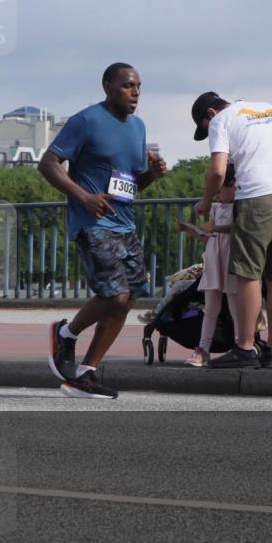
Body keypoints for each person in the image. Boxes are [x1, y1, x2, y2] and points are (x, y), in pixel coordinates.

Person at [39, 62, 166, 399]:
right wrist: (84, 197)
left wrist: (152, 174)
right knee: (115, 294)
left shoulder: (138, 127)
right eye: (127, 86)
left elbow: (131, 184)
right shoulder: (86, 120)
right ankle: (66, 334)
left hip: (124, 222)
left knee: (128, 298)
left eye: (138, 86)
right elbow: (48, 164)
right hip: (92, 222)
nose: (135, 92)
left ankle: (86, 373)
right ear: (108, 87)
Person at [191, 92, 272, 368]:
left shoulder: (220, 120)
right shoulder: (271, 108)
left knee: (248, 274)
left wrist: (206, 200)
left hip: (257, 200)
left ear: (210, 114)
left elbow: (218, 172)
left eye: (203, 127)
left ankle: (245, 347)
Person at [176, 164, 240, 366]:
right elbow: (210, 237)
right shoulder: (216, 208)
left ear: (233, 186)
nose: (217, 196)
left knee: (235, 306)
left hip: (230, 259)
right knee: (211, 307)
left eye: (219, 191)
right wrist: (193, 231)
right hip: (214, 260)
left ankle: (241, 345)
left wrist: (215, 228)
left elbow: (238, 229)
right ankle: (203, 348)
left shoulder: (241, 207)